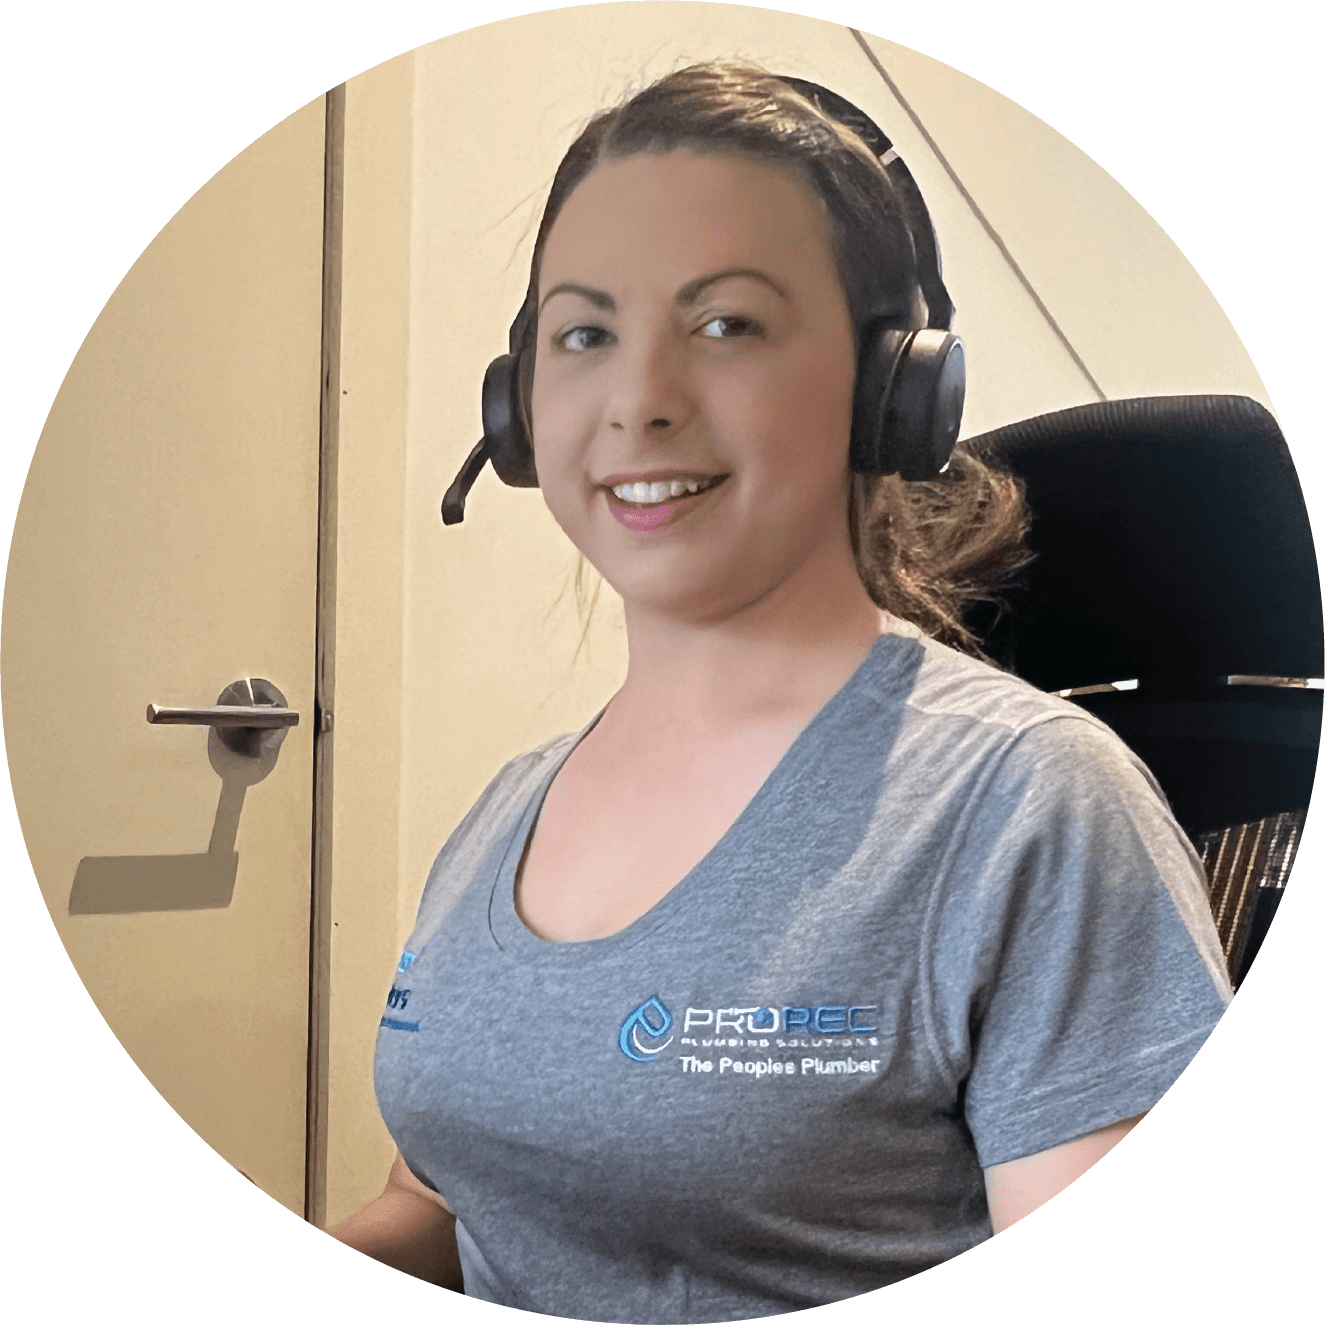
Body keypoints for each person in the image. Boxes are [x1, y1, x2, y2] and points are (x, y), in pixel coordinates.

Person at [329, 62, 1232, 1322]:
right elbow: (442, 1197)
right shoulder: (507, 806)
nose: (638, 401)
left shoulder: (1027, 804)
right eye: (584, 333)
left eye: (725, 324)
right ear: (518, 409)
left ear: (889, 391)